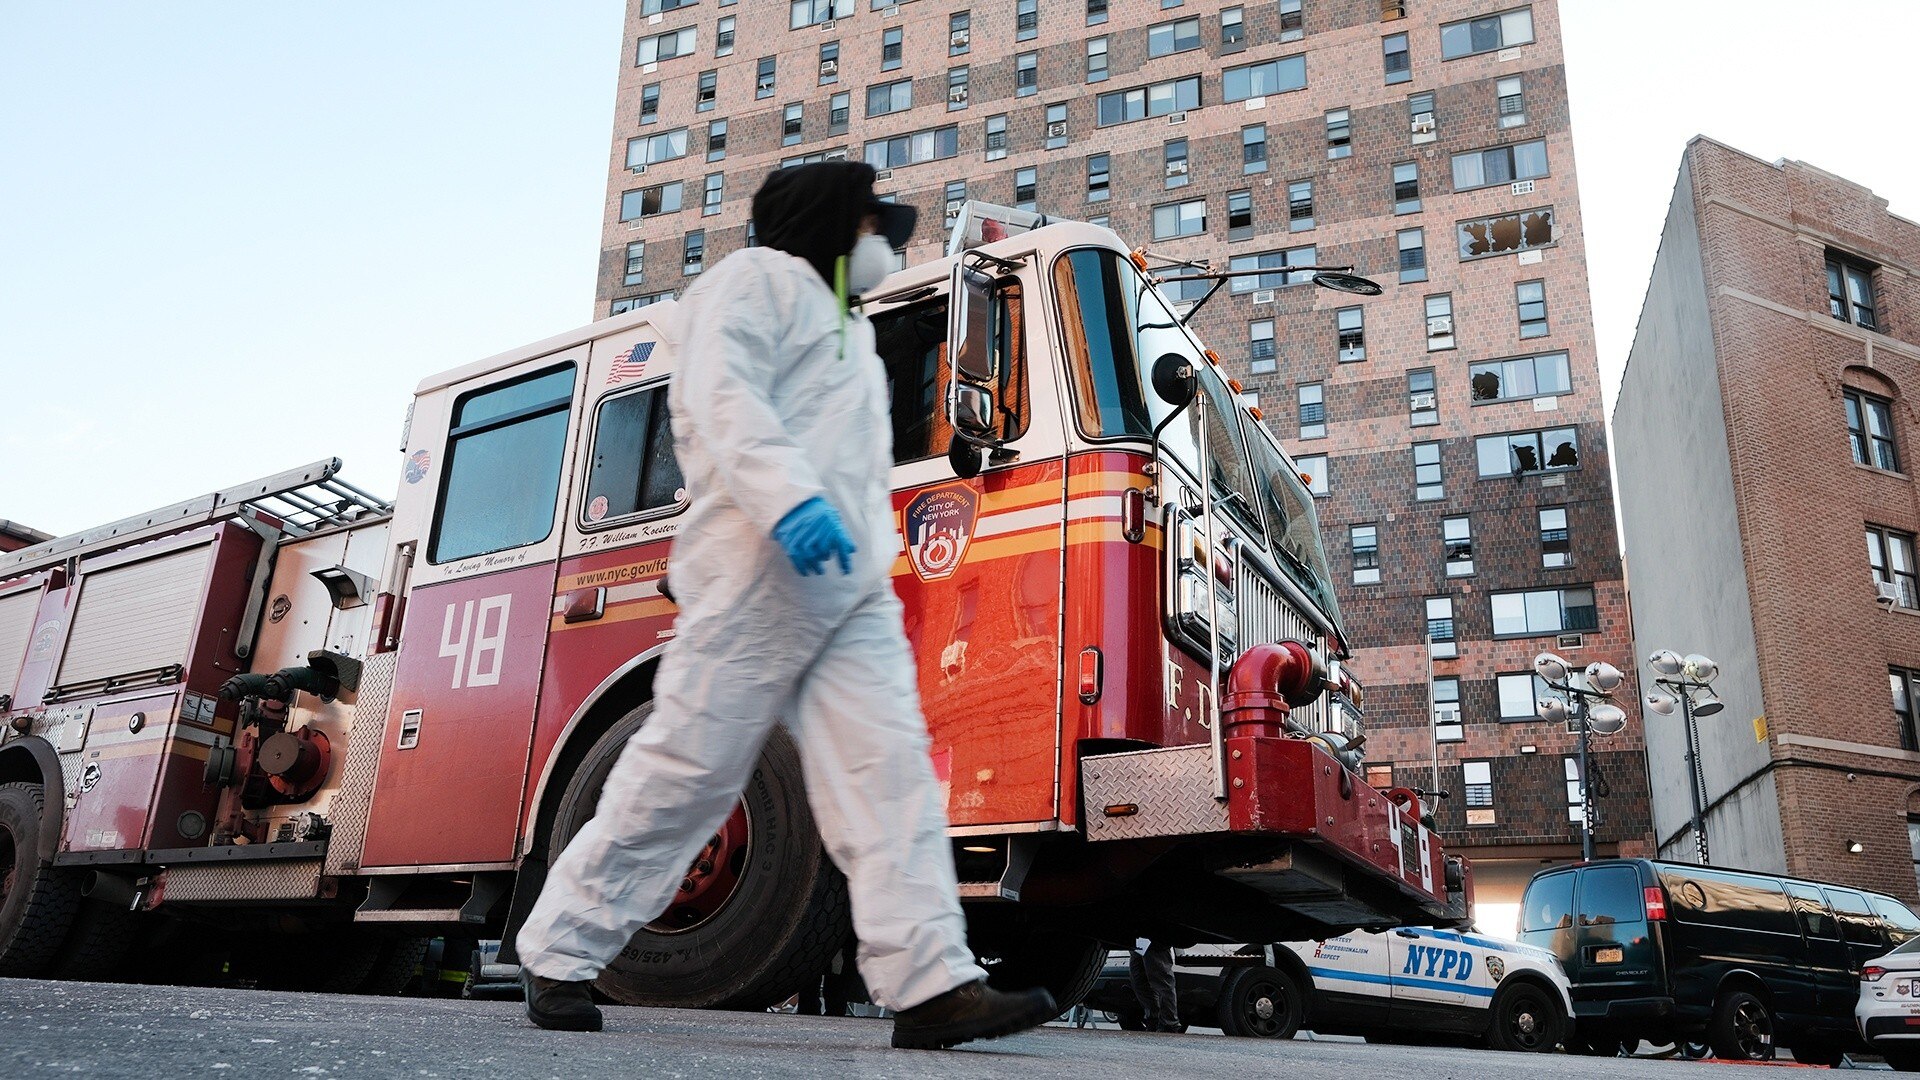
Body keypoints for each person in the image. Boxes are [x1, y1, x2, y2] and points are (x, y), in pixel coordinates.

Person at [513, 161, 1056, 1051]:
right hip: (757, 572)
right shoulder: (749, 284)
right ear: (832, 227)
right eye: (871, 229)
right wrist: (791, 502)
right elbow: (721, 399)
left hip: (844, 583)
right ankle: (561, 950)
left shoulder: (843, 323)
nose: (884, 244)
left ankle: (930, 986)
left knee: (889, 775)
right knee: (689, 777)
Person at [1128, 938, 1179, 1032]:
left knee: (1162, 981)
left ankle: (1169, 1023)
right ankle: (1154, 1020)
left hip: (1154, 938)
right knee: (1139, 982)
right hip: (1139, 940)